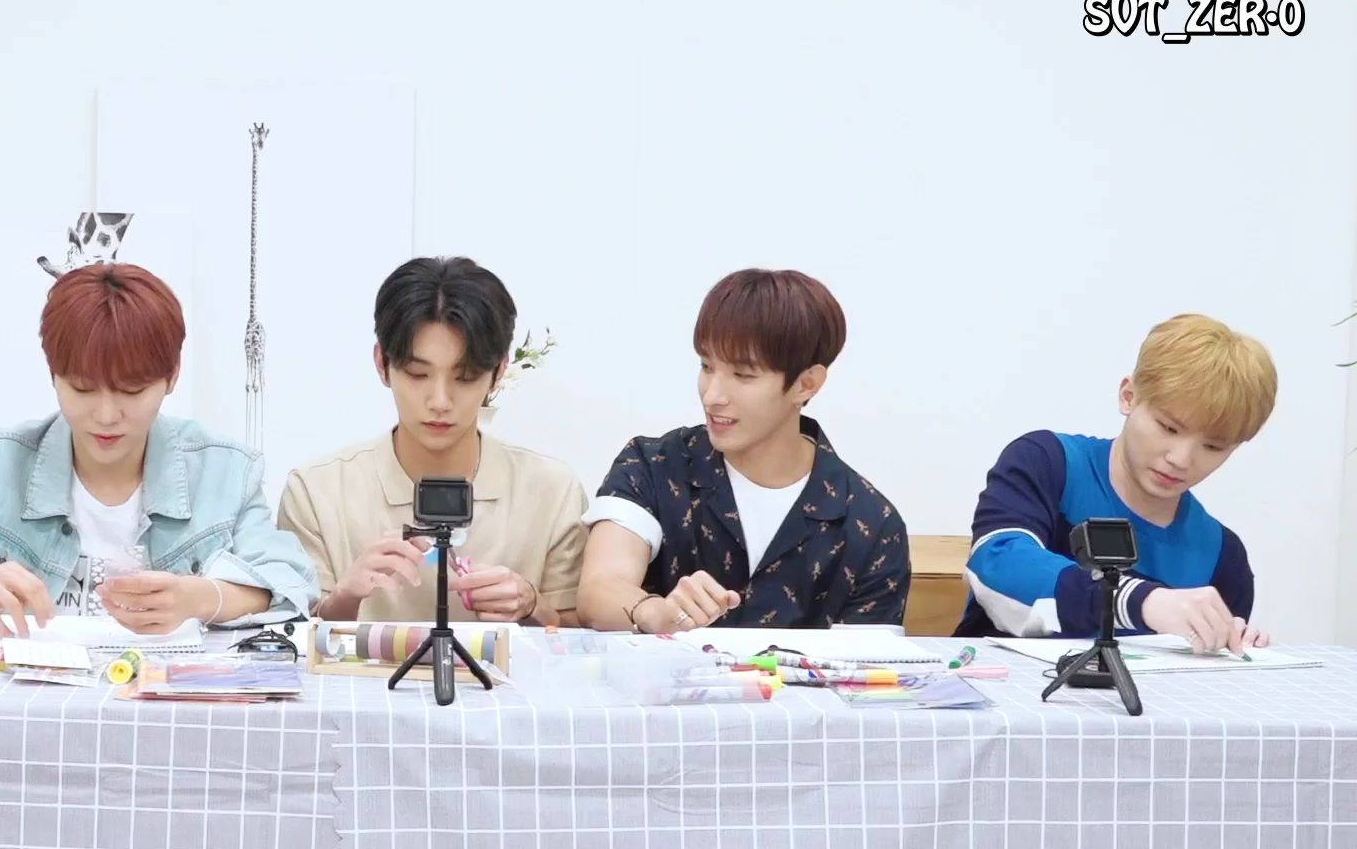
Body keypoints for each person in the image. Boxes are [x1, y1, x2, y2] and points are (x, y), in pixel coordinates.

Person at [0, 262, 317, 636]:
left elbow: (292, 584)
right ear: (53, 375)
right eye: (82, 389)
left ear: (172, 377)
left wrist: (203, 598)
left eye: (132, 391)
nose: (106, 416)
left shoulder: (225, 472)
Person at [577, 268, 908, 632]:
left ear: (806, 384)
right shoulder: (652, 465)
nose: (712, 396)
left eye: (743, 375)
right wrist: (652, 612)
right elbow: (599, 591)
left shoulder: (870, 524)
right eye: (707, 366)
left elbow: (867, 662)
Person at [277, 256, 588, 625]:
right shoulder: (316, 493)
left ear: (499, 373)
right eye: (417, 374)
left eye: (466, 377)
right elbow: (292, 635)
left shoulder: (553, 492)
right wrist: (343, 598)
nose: (440, 401)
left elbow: (580, 636)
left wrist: (531, 605)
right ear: (382, 364)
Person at [956, 313, 1279, 655]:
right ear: (1129, 396)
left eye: (1213, 447)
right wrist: (1140, 601)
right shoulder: (1047, 463)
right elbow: (997, 565)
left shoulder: (1223, 557)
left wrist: (1231, 641)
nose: (1181, 459)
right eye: (1168, 427)